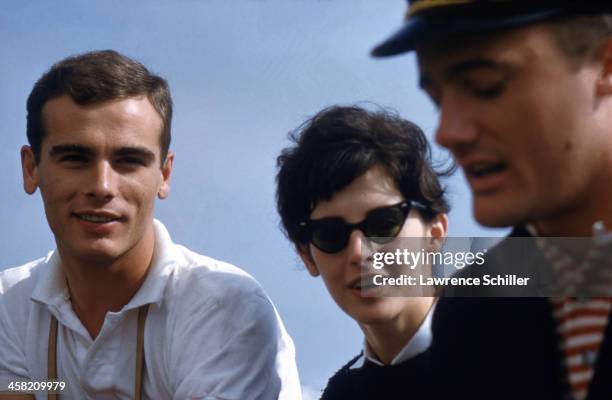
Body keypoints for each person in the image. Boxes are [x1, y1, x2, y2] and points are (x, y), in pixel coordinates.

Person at [0, 50, 301, 400]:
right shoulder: (9, 305)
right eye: (75, 159)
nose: (102, 186)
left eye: (129, 161)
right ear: (31, 168)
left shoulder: (224, 307)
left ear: (165, 174)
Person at [372, 1, 612, 399]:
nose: (447, 132)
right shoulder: (474, 311)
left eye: (486, 86)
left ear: (604, 65)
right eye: (438, 99)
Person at [275, 105, 450, 399]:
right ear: (307, 256)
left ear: (435, 232)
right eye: (330, 234)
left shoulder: (522, 342)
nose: (359, 252)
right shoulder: (340, 393)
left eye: (383, 223)